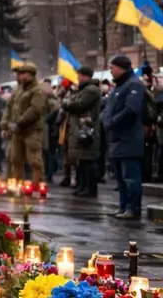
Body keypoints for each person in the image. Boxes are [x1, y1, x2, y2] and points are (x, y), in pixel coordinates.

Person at [102, 55, 146, 220]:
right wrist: (104, 120)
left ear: (121, 68)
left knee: (130, 178)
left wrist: (112, 122)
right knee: (121, 178)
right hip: (116, 139)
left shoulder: (134, 85)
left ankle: (133, 209)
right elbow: (109, 109)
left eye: (112, 67)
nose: (110, 71)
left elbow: (130, 110)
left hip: (129, 139)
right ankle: (123, 206)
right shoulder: (119, 86)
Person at [1, 64, 47, 183]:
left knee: (34, 160)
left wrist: (19, 123)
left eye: (23, 74)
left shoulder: (38, 90)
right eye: (19, 74)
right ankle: (16, 184)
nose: (20, 76)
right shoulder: (18, 89)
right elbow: (9, 107)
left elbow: (34, 110)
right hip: (17, 131)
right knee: (15, 158)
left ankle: (37, 183)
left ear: (31, 75)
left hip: (32, 130)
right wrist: (5, 124)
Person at [62, 67, 101, 197]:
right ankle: (83, 186)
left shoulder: (91, 90)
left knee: (88, 160)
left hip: (87, 130)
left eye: (79, 75)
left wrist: (66, 103)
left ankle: (90, 188)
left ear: (86, 76)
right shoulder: (83, 89)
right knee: (82, 160)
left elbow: (79, 104)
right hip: (81, 129)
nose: (78, 77)